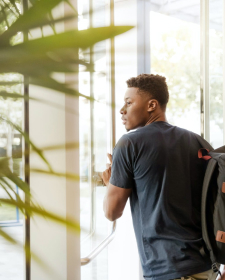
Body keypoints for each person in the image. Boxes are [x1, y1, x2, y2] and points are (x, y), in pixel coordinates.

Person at [101, 74, 225, 280]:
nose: (122, 110)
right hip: (205, 268)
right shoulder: (199, 143)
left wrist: (109, 183)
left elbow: (111, 212)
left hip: (168, 271)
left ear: (152, 105)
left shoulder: (129, 144)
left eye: (129, 102)